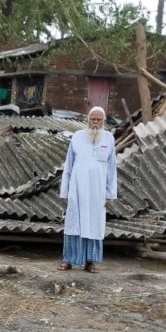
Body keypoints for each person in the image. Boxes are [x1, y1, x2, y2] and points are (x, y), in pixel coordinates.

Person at [58, 106, 117, 273]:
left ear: (104, 122)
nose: (96, 123)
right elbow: (68, 167)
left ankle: (90, 263)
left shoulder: (109, 139)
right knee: (73, 225)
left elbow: (112, 169)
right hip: (76, 190)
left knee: (94, 226)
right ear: (87, 120)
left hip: (97, 194)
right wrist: (64, 191)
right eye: (93, 119)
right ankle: (68, 260)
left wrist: (110, 194)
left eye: (99, 119)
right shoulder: (77, 137)